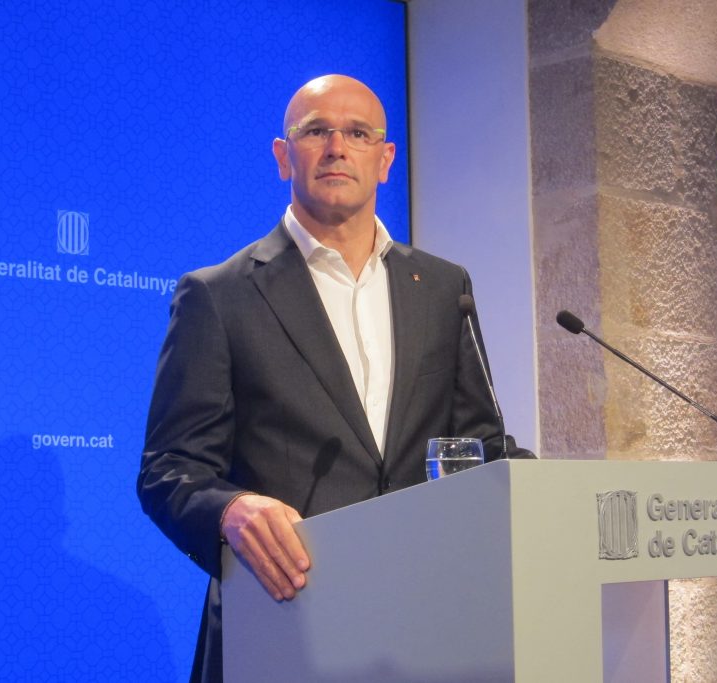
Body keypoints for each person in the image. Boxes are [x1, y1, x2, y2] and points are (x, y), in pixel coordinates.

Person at [138, 74, 533, 683]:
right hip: (282, 619)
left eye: (358, 133)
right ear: (283, 156)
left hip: (423, 622)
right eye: (316, 131)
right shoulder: (219, 295)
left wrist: (543, 489)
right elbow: (169, 471)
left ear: (385, 159)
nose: (337, 148)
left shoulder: (442, 287)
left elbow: (479, 445)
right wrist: (230, 510)